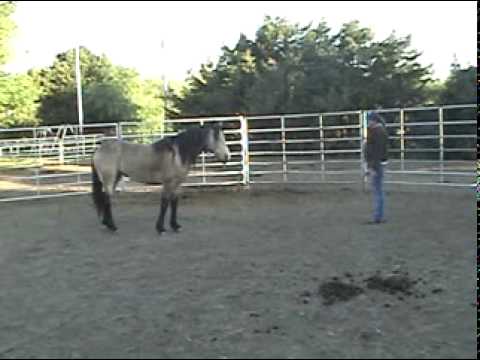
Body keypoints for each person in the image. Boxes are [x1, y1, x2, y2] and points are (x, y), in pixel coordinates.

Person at [365, 111, 389, 224]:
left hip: (376, 164)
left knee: (377, 190)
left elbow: (376, 152)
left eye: (369, 120)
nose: (367, 123)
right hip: (378, 163)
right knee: (378, 190)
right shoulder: (379, 131)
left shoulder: (377, 132)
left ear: (373, 121)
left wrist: (372, 167)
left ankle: (377, 216)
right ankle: (378, 215)